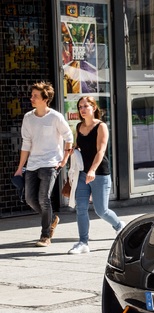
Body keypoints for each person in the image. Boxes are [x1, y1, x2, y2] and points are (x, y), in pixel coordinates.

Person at [15, 81, 74, 247]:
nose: (31, 98)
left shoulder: (55, 117)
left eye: (35, 96)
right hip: (33, 164)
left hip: (50, 164)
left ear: (45, 99)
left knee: (43, 198)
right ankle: (52, 219)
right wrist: (20, 168)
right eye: (32, 95)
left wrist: (64, 160)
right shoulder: (28, 118)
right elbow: (26, 144)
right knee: (29, 199)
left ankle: (45, 235)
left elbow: (69, 137)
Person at [68, 96, 125, 254]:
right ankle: (83, 242)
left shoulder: (101, 126)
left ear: (94, 108)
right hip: (82, 174)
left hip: (99, 173)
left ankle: (119, 226)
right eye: (80, 107)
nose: (83, 109)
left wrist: (92, 170)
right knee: (81, 208)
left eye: (86, 106)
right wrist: (74, 150)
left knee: (101, 210)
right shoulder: (79, 126)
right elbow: (81, 147)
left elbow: (101, 151)